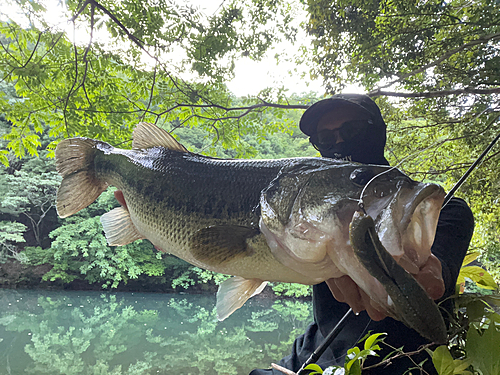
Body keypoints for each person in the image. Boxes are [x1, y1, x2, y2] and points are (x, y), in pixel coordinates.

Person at [250, 94, 475, 374]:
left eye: (352, 130)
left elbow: (433, 280)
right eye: (325, 138)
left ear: (378, 133)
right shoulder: (310, 211)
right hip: (312, 356)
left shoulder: (446, 211)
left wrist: (418, 275)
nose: (340, 143)